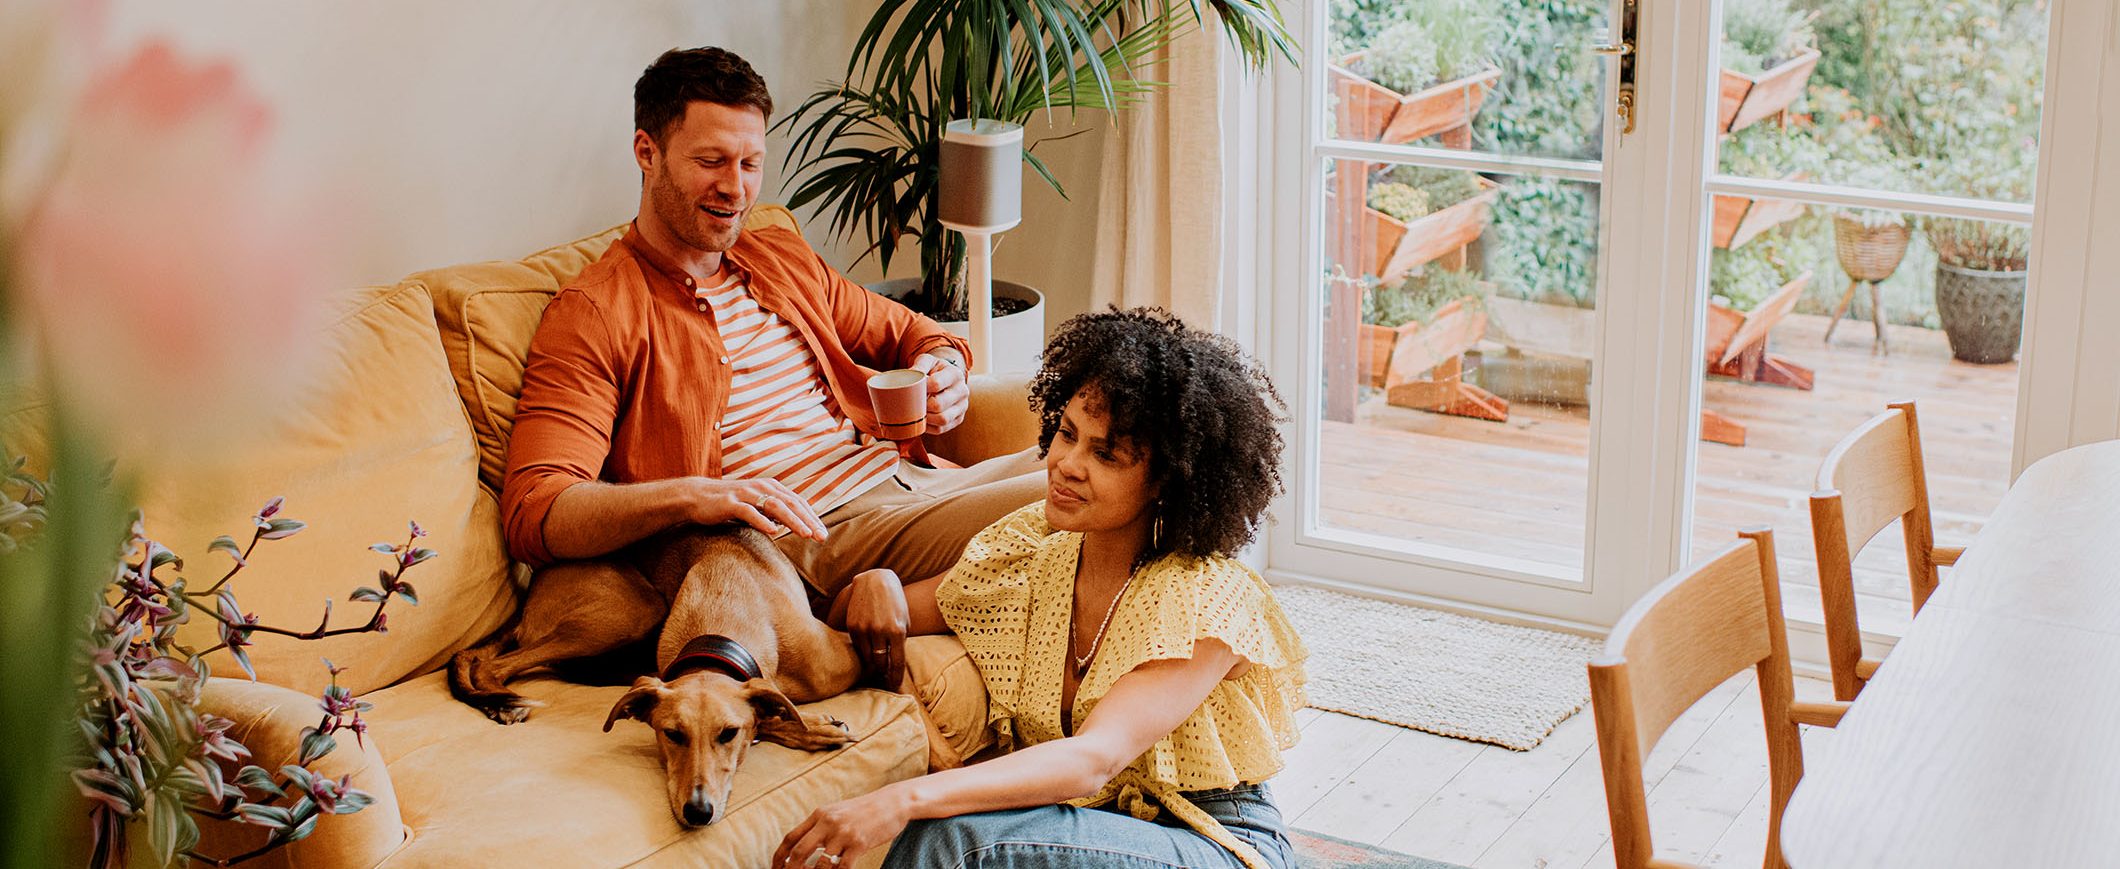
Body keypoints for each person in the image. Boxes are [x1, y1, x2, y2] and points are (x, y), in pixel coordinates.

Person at [499, 47, 1045, 638]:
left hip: (912, 481)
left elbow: (915, 332)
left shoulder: (776, 255)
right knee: (1076, 493)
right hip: (806, 539)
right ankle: (854, 611)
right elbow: (539, 509)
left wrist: (943, 370)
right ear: (646, 152)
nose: (735, 189)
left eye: (751, 163)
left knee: (1106, 458)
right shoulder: (596, 313)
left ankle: (898, 605)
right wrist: (693, 496)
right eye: (711, 161)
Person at [778, 308, 1310, 869]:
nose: (1066, 465)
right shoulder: (1032, 552)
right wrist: (876, 582)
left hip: (1212, 841)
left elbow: (1093, 759)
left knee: (953, 839)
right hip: (1090, 827)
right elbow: (863, 617)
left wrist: (900, 800)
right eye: (1068, 434)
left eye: (1105, 454)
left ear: (1165, 481)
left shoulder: (1205, 596)